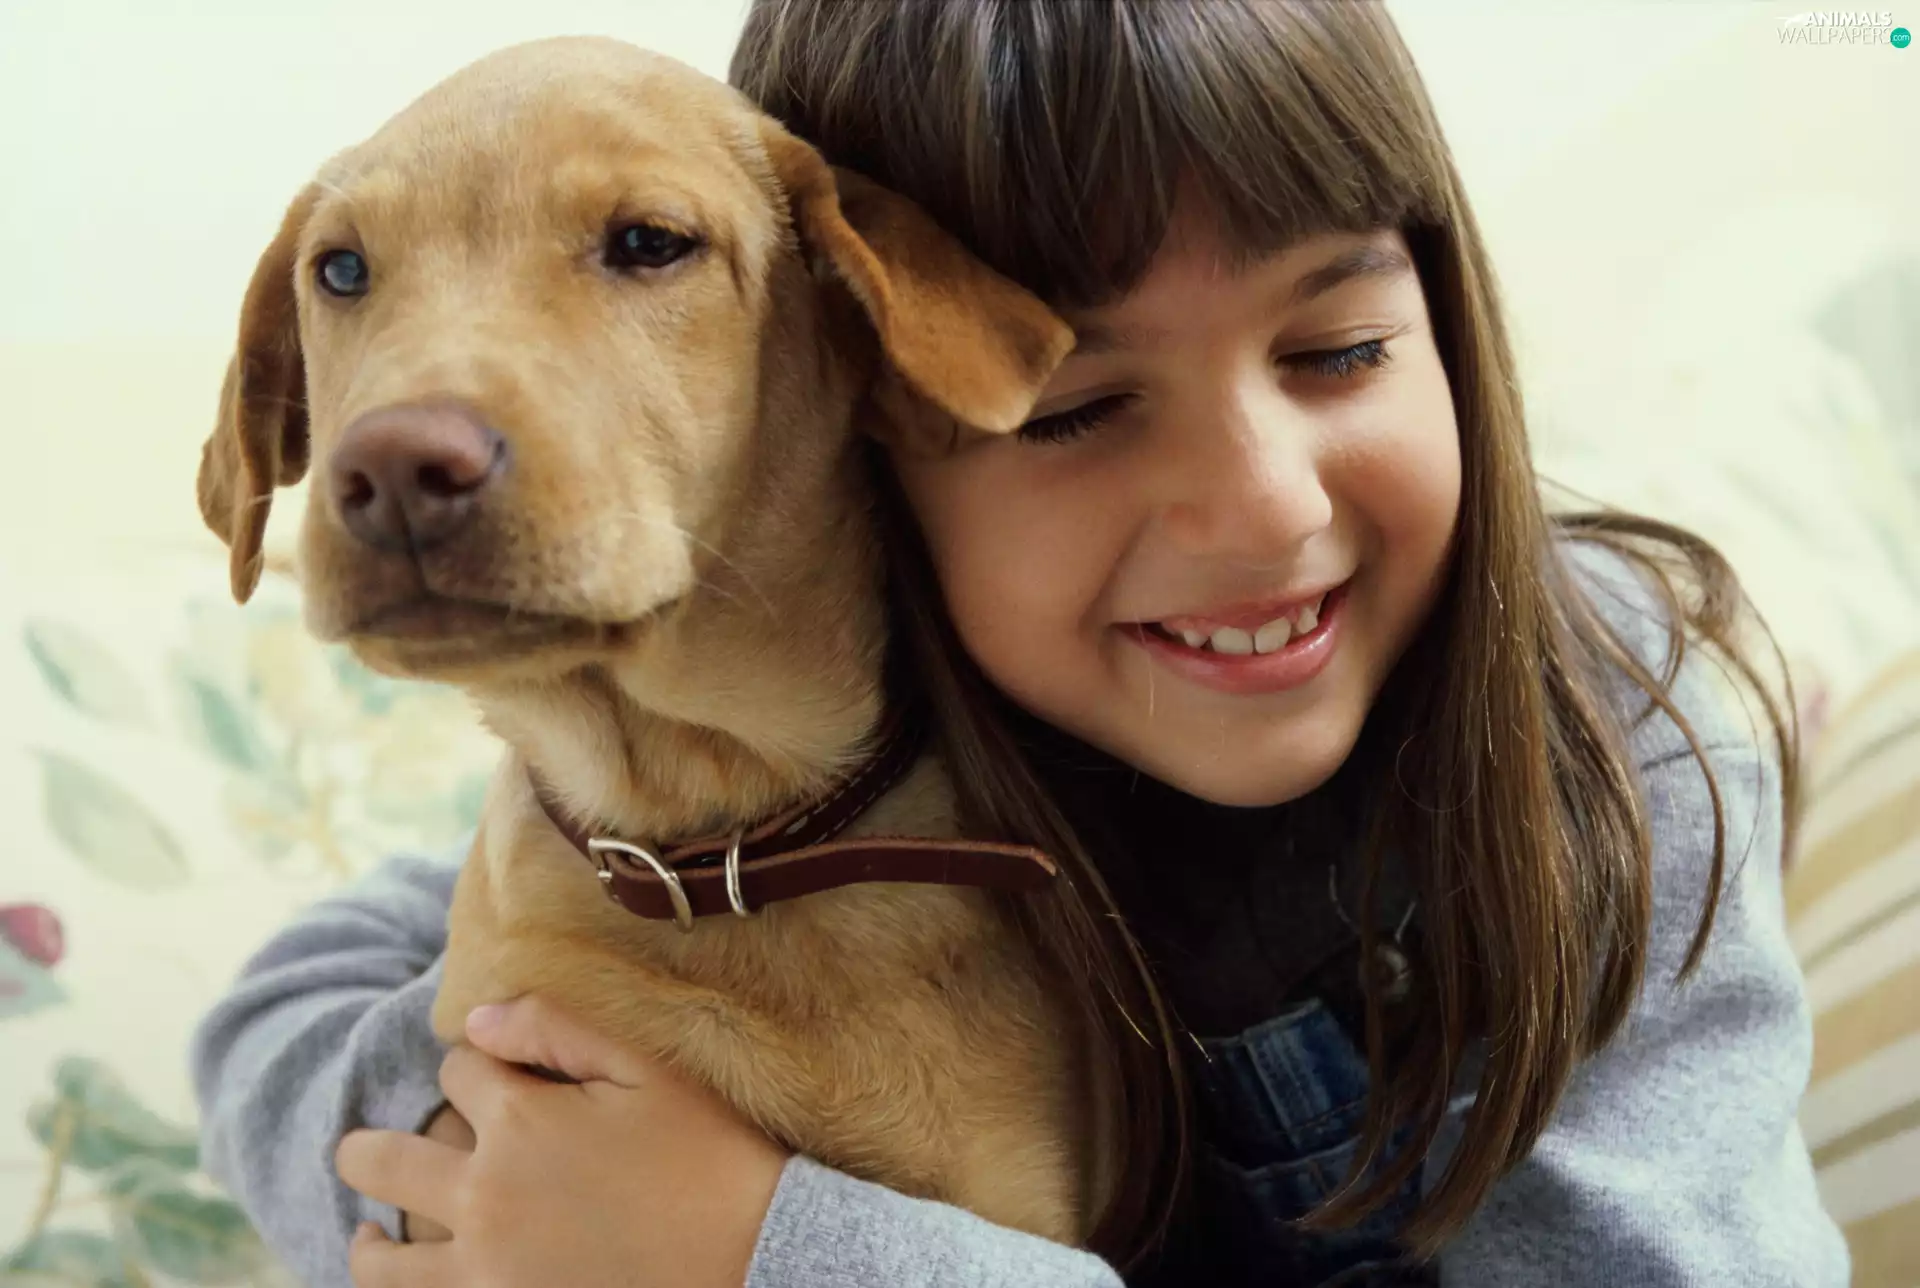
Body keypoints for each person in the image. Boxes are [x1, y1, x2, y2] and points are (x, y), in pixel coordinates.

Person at [190, 3, 1849, 1285]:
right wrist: (494, 1172)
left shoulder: (1607, 734)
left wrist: (765, 1250)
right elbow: (279, 1016)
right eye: (1074, 407)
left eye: (1339, 349)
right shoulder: (776, 742)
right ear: (873, 400)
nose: (1257, 510)